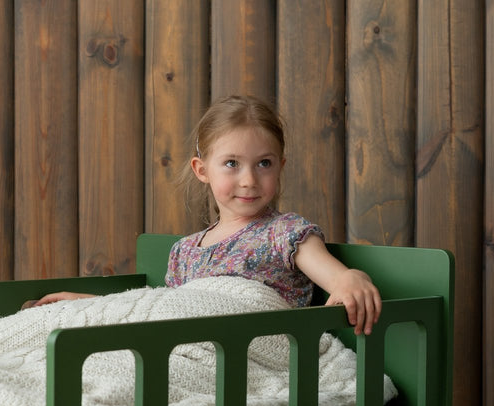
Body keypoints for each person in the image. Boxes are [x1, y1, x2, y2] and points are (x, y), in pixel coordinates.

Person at [32, 94, 382, 335]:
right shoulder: (185, 251)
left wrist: (351, 280)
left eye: (264, 163)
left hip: (244, 347)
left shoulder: (285, 233)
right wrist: (90, 306)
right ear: (202, 170)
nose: (248, 180)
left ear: (281, 167)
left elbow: (336, 278)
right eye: (232, 164)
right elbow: (161, 310)